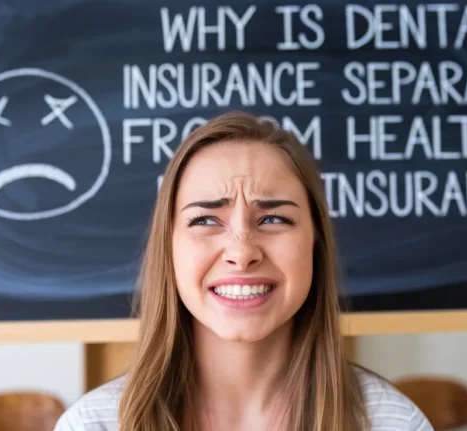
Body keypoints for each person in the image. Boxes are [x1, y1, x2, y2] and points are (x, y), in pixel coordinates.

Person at [54, 111, 433, 431]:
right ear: (169, 248)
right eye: (205, 220)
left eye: (272, 218)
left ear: (315, 243)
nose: (241, 251)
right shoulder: (94, 425)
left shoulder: (392, 423)